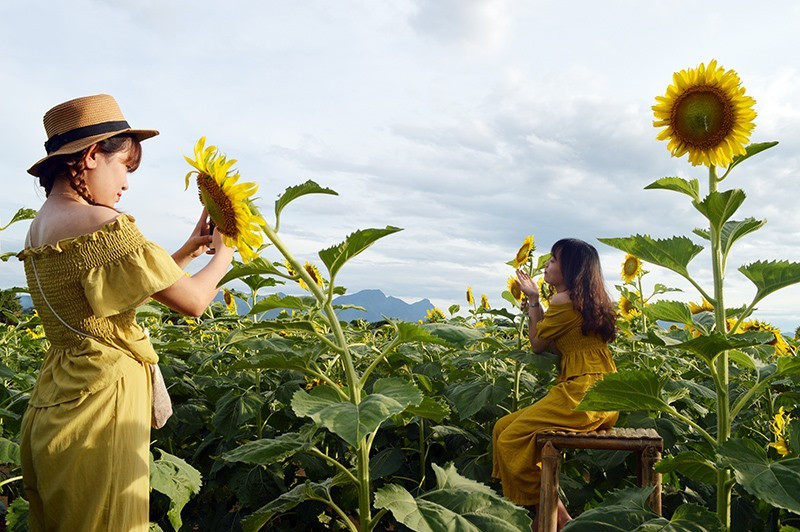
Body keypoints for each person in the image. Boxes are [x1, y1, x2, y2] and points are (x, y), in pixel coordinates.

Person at [18, 94, 233, 531]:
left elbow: (122, 290)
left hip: (55, 403)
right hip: (101, 405)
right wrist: (223, 256)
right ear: (93, 156)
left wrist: (190, 252)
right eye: (125, 168)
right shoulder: (104, 225)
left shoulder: (41, 225)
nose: (127, 184)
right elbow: (193, 302)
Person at [492, 238, 618, 530]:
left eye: (553, 260)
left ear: (570, 269)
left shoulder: (562, 300)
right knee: (502, 428)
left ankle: (560, 519)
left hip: (583, 396)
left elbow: (537, 345)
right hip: (603, 397)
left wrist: (535, 301)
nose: (547, 265)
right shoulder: (585, 301)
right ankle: (543, 517)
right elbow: (556, 346)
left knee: (510, 439)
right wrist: (536, 308)